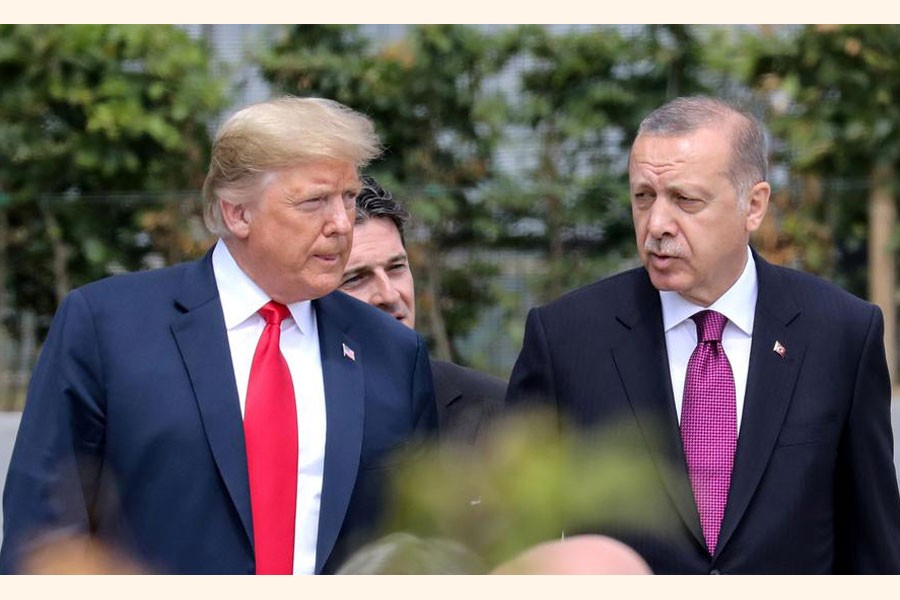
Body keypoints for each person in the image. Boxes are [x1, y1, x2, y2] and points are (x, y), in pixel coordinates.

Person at [0, 97, 437, 574]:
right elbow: (41, 532)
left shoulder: (393, 353)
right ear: (237, 214)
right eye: (314, 201)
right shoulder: (107, 328)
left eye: (348, 198)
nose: (340, 224)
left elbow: (418, 545)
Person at [505, 95, 900, 573]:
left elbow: (875, 549)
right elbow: (518, 546)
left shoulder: (841, 333)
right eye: (643, 197)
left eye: (686, 200)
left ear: (753, 206)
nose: (656, 225)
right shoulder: (566, 339)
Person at [338, 176, 506, 444]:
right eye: (356, 278)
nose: (389, 294)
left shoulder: (495, 412)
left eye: (396, 268)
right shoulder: (300, 417)